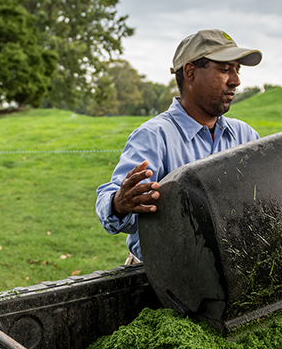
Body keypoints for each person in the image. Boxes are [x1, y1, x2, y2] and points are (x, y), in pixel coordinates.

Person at [95, 29, 263, 263]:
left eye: (237, 69)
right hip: (161, 279)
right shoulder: (154, 136)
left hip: (230, 273)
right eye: (225, 69)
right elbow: (112, 200)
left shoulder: (245, 135)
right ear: (191, 72)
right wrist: (119, 204)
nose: (236, 80)